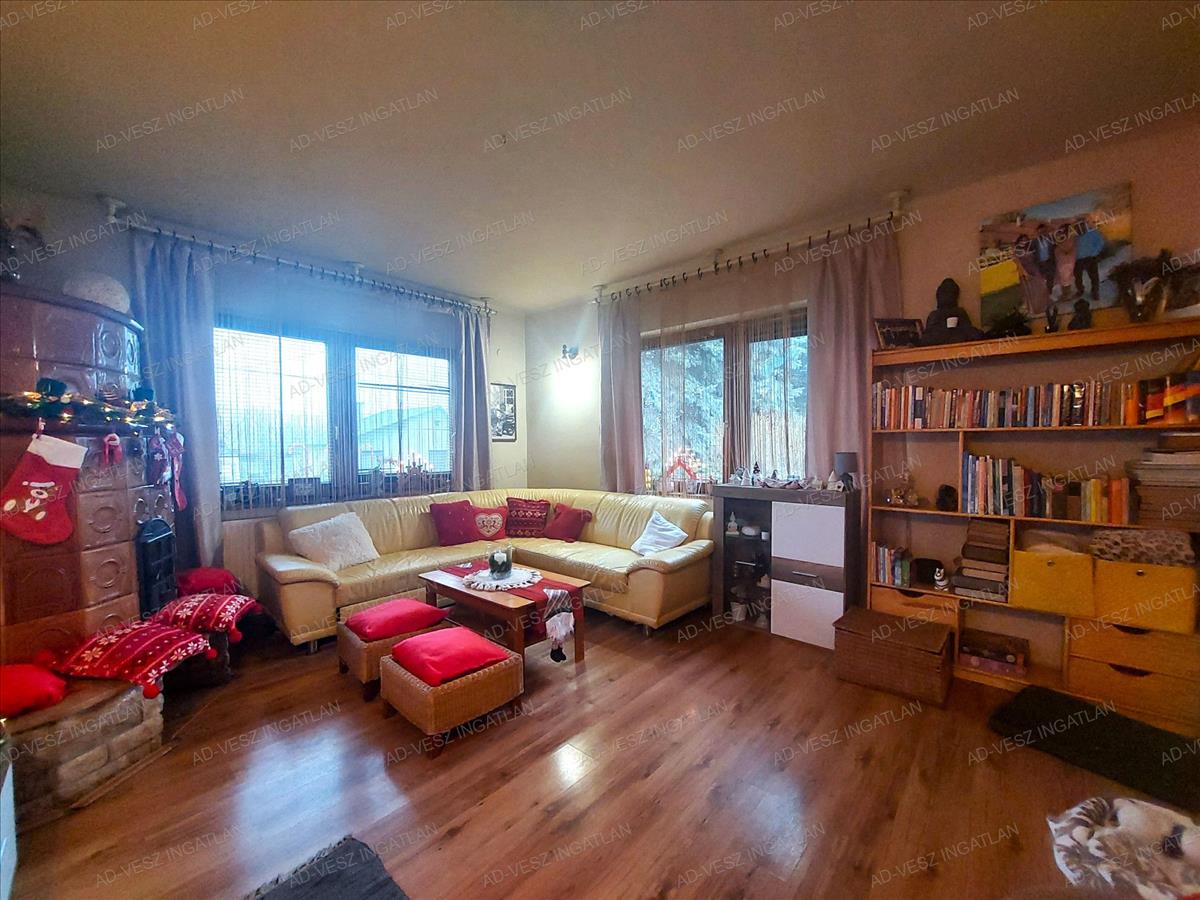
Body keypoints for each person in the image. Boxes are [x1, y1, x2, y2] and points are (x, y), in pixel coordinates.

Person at [1074, 217, 1104, 302]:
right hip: (1078, 260)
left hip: (1091, 258)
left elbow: (1100, 243)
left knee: (1094, 277)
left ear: (1085, 224)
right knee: (1078, 277)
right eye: (1077, 225)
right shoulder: (1075, 235)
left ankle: (1095, 292)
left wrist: (1094, 252)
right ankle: (1080, 290)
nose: (1079, 226)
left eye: (1082, 224)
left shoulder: (1093, 233)